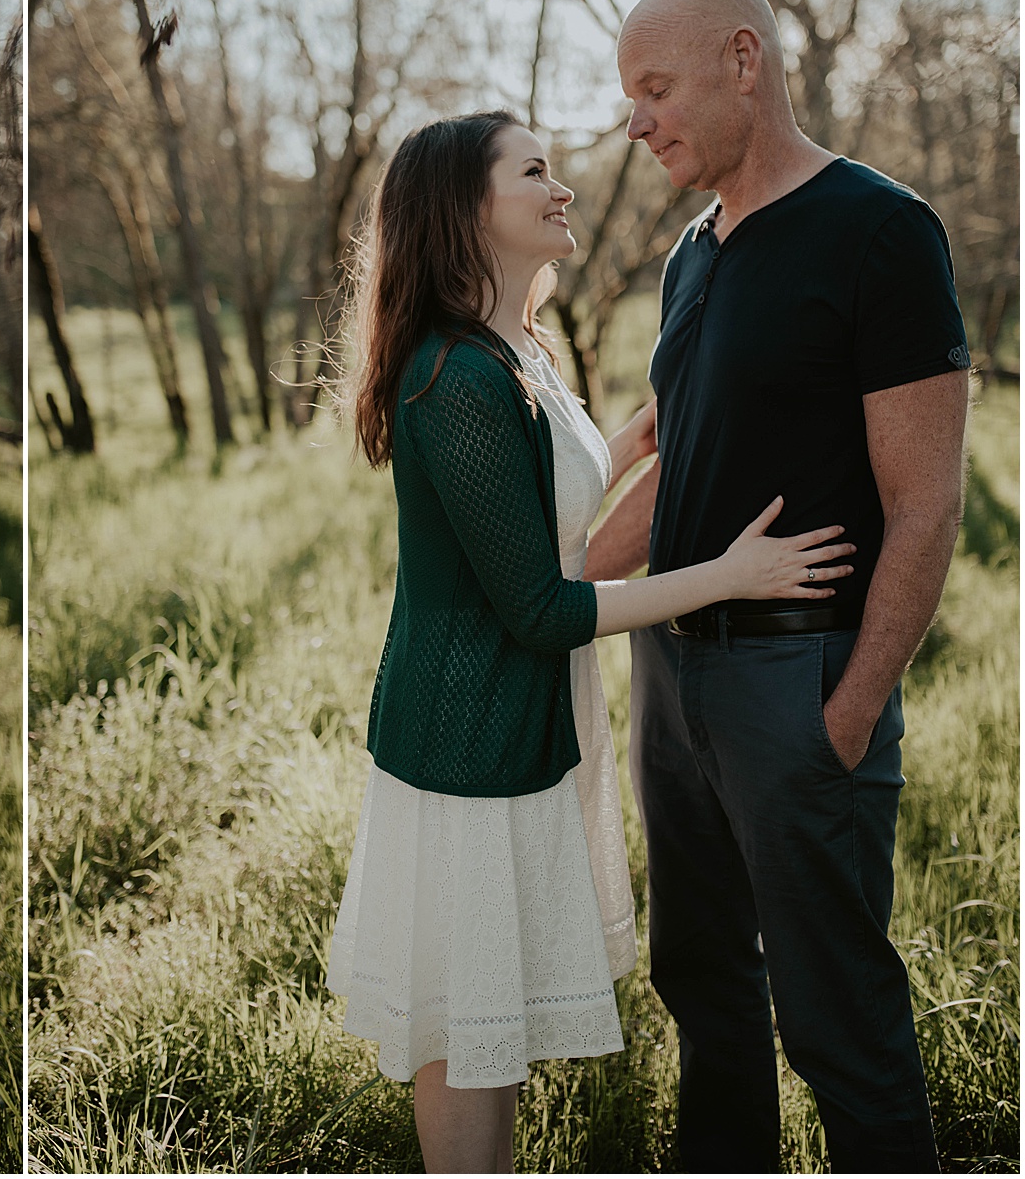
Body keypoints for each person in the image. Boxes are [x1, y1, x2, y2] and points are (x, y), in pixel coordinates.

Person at [324, 110, 858, 1173]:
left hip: (517, 724)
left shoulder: (512, 348)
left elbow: (541, 500)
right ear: (465, 211)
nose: (560, 189)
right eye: (533, 173)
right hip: (468, 736)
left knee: (490, 1016)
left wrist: (641, 433)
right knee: (466, 1025)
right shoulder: (455, 377)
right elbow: (539, 607)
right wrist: (726, 577)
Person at [585, 0, 968, 1172]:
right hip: (670, 675)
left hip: (796, 684)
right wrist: (539, 599)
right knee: (702, 987)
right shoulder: (688, 257)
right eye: (626, 98)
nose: (635, 122)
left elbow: (923, 504)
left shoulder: (876, 230)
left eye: (653, 89)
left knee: (834, 1016)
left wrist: (845, 717)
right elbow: (681, 479)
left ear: (742, 60)